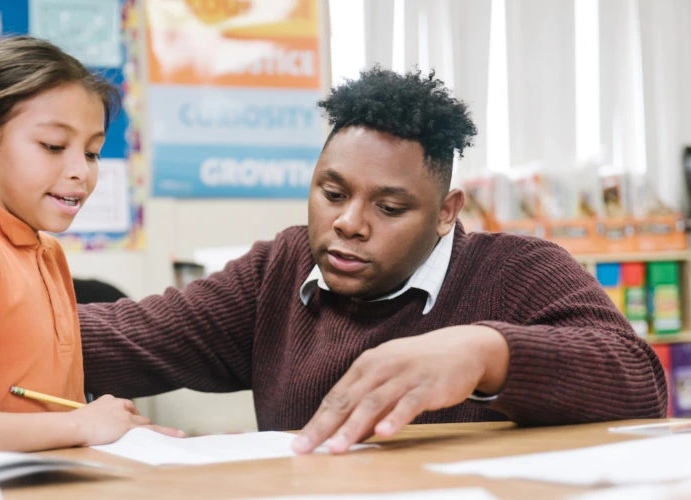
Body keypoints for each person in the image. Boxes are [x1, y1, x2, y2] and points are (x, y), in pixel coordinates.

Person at [78, 67, 667, 455]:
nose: (349, 222)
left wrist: (486, 352)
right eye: (332, 194)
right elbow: (128, 337)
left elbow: (640, 382)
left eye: (388, 206)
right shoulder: (280, 270)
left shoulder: (519, 270)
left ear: (446, 212)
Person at [0, 35, 180, 455]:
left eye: (93, 152)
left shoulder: (46, 252)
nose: (81, 171)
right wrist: (79, 424)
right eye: (53, 146)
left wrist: (99, 426)